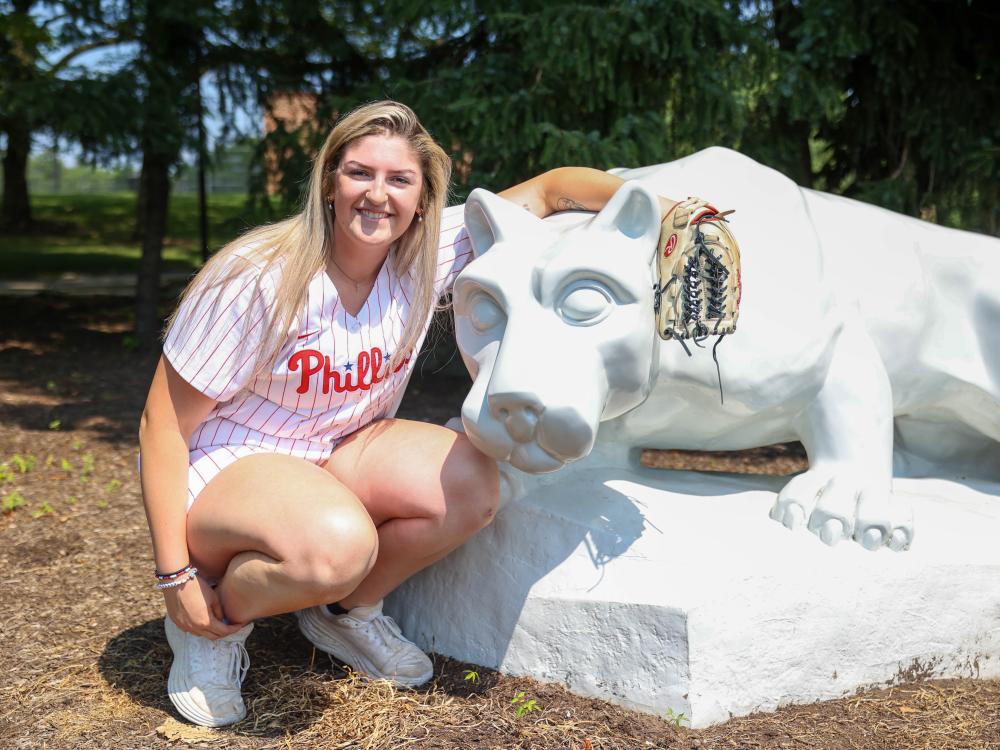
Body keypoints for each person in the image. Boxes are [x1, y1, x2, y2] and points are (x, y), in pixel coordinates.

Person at [138, 100, 677, 727]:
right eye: (359, 173)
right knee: (338, 548)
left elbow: (557, 189)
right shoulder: (258, 276)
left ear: (422, 199)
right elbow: (161, 427)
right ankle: (213, 624)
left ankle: (343, 614)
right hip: (231, 463)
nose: (377, 194)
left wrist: (672, 216)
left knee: (476, 483)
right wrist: (174, 576)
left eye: (399, 179)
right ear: (329, 182)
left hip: (339, 451)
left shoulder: (428, 252)